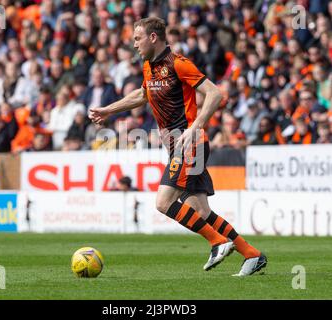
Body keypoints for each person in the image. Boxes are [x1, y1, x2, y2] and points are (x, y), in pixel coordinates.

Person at [89, 17, 266, 276]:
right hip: (176, 145)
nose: (134, 44)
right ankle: (252, 255)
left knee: (163, 202)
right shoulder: (149, 66)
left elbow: (215, 93)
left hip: (189, 141)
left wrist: (196, 126)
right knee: (201, 211)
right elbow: (142, 94)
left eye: (137, 38)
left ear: (153, 37)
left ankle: (218, 242)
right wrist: (108, 110)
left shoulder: (178, 63)